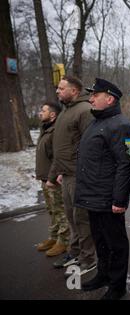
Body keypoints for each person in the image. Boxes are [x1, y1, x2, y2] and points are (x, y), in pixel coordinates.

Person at [74, 78, 130, 300]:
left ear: (109, 99)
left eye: (95, 95)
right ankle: (103, 275)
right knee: (99, 240)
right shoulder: (96, 122)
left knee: (116, 244)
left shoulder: (122, 125)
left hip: (107, 199)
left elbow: (126, 164)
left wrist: (119, 200)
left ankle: (117, 286)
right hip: (92, 197)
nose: (90, 98)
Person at [51, 75, 96, 275]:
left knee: (82, 219)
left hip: (80, 176)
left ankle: (89, 258)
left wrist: (85, 175)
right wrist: (55, 173)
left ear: (74, 91)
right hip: (67, 175)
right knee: (71, 218)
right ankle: (76, 252)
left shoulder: (85, 110)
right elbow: (61, 146)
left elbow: (90, 146)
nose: (57, 91)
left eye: (61, 88)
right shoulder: (65, 111)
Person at [35, 101, 70, 257]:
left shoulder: (56, 131)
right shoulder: (46, 129)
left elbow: (58, 156)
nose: (40, 113)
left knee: (60, 211)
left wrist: (53, 177)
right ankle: (54, 237)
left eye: (43, 111)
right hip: (45, 178)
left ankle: (64, 241)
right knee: (52, 211)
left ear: (53, 114)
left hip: (54, 179)